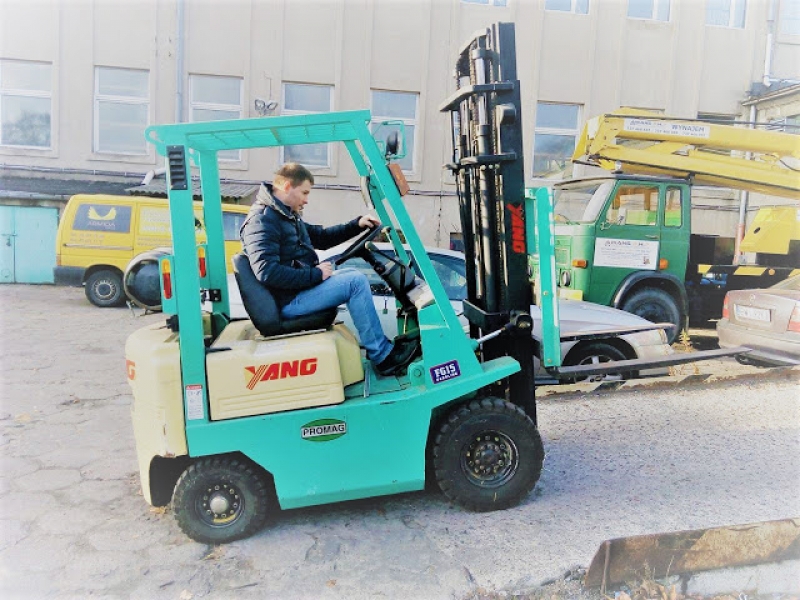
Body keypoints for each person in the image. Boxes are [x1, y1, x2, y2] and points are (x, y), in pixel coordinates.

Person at [240, 163, 419, 376]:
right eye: (305, 192)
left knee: (350, 276)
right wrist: (316, 274)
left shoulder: (285, 216)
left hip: (296, 293)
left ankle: (382, 349)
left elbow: (321, 237)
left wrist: (356, 225)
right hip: (288, 302)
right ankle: (383, 356)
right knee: (354, 282)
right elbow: (267, 272)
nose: (306, 199)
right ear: (287, 186)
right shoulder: (262, 220)